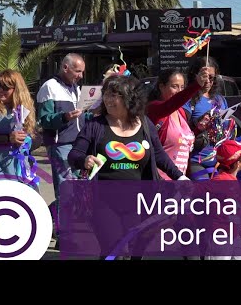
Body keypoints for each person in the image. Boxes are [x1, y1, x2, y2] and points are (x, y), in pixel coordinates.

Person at [67, 75, 187, 258]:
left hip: (141, 202)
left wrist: (179, 176)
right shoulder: (95, 125)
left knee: (136, 250)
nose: (108, 99)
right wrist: (85, 160)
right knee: (114, 248)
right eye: (106, 94)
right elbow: (74, 155)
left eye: (115, 95)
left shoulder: (145, 124)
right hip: (104, 202)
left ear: (130, 98)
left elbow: (159, 155)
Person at [37, 53, 86, 206]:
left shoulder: (76, 88)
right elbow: (44, 120)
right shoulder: (49, 87)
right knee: (66, 189)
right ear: (65, 67)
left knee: (79, 187)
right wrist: (64, 117)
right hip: (60, 144)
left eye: (82, 72)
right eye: (78, 71)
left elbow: (80, 116)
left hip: (78, 143)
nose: (81, 76)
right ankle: (63, 228)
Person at [146, 67, 210, 179]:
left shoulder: (181, 112)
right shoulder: (154, 109)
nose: (179, 91)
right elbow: (171, 104)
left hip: (180, 181)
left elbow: (183, 142)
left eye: (182, 87)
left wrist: (198, 129)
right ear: (161, 87)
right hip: (160, 181)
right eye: (174, 86)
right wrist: (196, 85)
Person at [183, 56, 229, 180]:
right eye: (204, 76)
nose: (208, 81)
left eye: (211, 77)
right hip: (196, 160)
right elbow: (181, 131)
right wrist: (199, 125)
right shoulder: (188, 100)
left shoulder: (220, 100)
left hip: (218, 161)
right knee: (203, 194)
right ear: (195, 75)